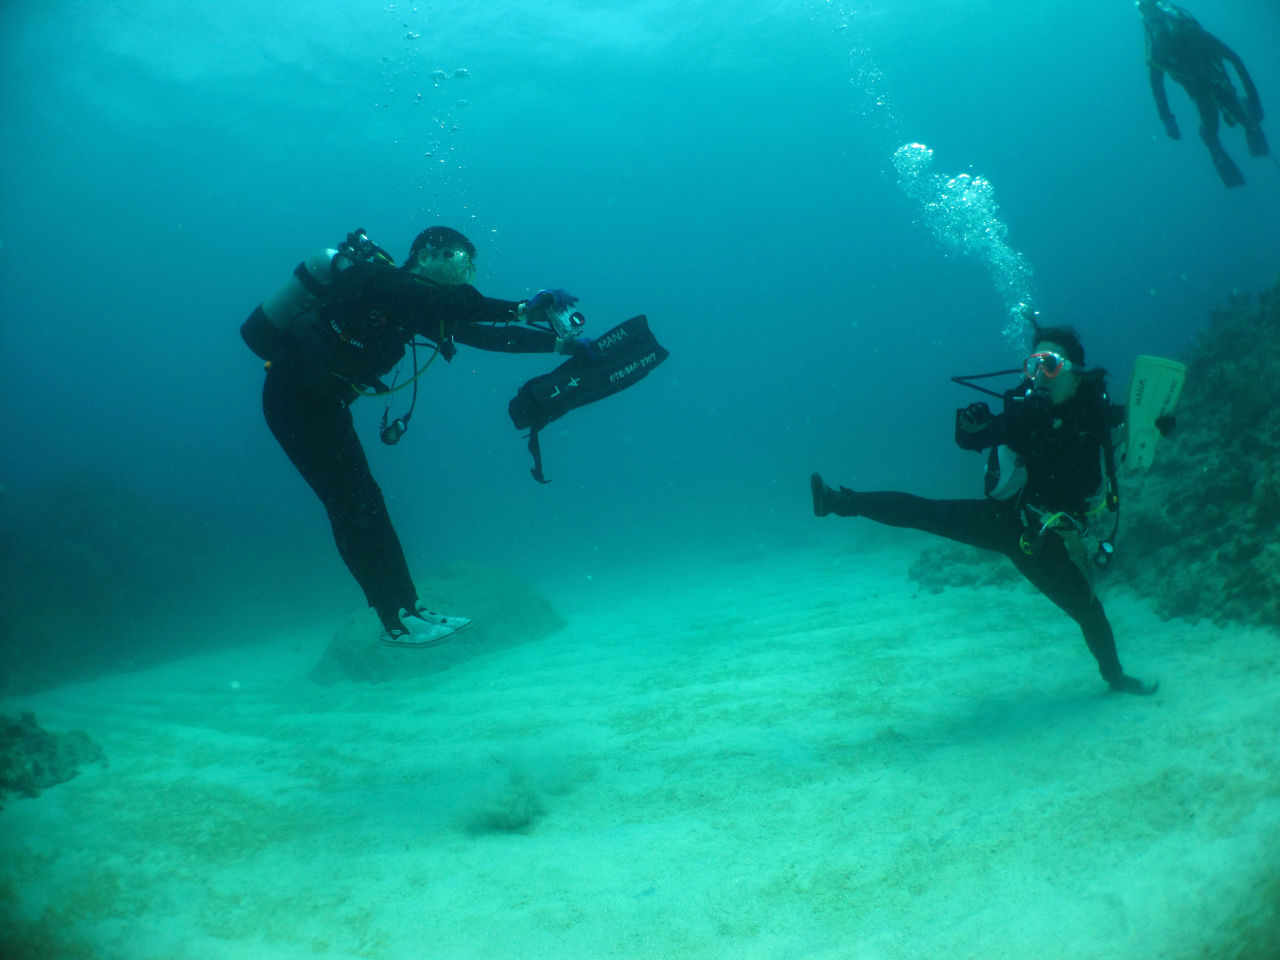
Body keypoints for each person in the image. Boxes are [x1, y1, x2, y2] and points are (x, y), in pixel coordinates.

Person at [241, 226, 591, 646]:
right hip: (291, 398)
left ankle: (407, 609)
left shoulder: (420, 304)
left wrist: (559, 346)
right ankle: (395, 618)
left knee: (365, 501)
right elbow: (455, 304)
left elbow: (486, 335)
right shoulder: (377, 279)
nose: (464, 273)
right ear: (425, 256)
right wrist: (520, 308)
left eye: (470, 267)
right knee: (353, 502)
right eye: (458, 260)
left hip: (325, 404)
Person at [810, 323, 1159, 696]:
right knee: (925, 513)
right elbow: (976, 437)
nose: (1040, 374)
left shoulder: (1095, 409)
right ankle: (840, 502)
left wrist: (1161, 424)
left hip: (1062, 535)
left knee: (1089, 610)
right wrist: (970, 425)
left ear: (1072, 368)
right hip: (1014, 524)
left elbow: (1139, 428)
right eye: (1033, 365)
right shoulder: (1027, 412)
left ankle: (1116, 678)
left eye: (1050, 364)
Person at [1137, 0, 1270, 188]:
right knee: (1211, 132)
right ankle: (1224, 152)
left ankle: (1249, 133)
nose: (1158, 29)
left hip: (1217, 81)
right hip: (1200, 93)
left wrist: (1254, 100)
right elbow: (1157, 87)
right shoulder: (1158, 53)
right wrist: (1167, 118)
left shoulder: (1193, 35)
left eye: (1157, 20)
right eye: (1151, 23)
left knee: (1242, 120)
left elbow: (1234, 59)